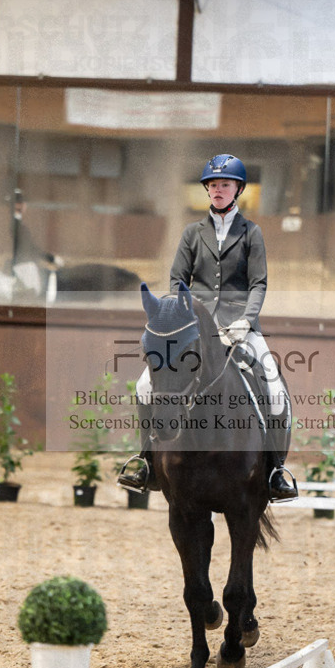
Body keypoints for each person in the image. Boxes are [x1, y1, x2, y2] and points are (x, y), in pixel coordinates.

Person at [118, 153, 298, 502]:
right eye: (213, 184)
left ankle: (275, 471)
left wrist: (246, 319)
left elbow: (258, 283)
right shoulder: (192, 233)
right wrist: (180, 316)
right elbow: (176, 279)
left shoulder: (252, 234)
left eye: (225, 184)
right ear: (207, 190)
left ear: (238, 189)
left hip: (242, 325)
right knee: (143, 384)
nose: (218, 189)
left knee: (275, 388)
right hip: (195, 326)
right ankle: (146, 464)